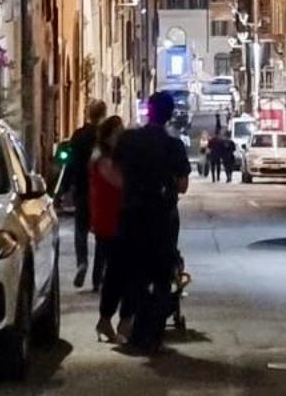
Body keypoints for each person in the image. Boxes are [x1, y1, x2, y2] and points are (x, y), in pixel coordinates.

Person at [104, 91, 191, 351]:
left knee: (134, 273)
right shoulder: (173, 146)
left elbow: (113, 171)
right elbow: (183, 185)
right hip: (161, 218)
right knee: (162, 277)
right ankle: (152, 334)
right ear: (169, 114)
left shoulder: (129, 140)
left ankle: (133, 329)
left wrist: (131, 187)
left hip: (130, 214)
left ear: (148, 111)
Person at [59, 98, 107, 289]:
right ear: (103, 114)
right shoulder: (106, 135)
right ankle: (98, 275)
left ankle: (82, 262)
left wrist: (65, 188)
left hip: (82, 189)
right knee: (102, 234)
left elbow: (70, 163)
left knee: (81, 229)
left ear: (88, 114)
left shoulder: (78, 135)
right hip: (102, 191)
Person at [88, 114, 124, 332]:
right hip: (109, 220)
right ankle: (108, 319)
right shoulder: (100, 159)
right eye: (117, 133)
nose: (120, 137)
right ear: (108, 136)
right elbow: (117, 183)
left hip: (117, 219)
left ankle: (110, 319)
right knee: (116, 271)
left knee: (116, 270)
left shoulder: (112, 158)